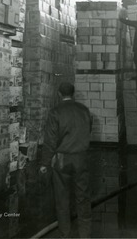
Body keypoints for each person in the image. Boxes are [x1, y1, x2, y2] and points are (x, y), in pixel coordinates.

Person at [39, 82, 93, 239]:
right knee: (83, 198)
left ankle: (65, 235)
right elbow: (88, 130)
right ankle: (85, 235)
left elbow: (50, 141)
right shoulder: (84, 110)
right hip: (81, 158)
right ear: (73, 93)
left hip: (62, 159)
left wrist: (45, 163)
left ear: (59, 94)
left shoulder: (55, 112)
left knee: (62, 200)